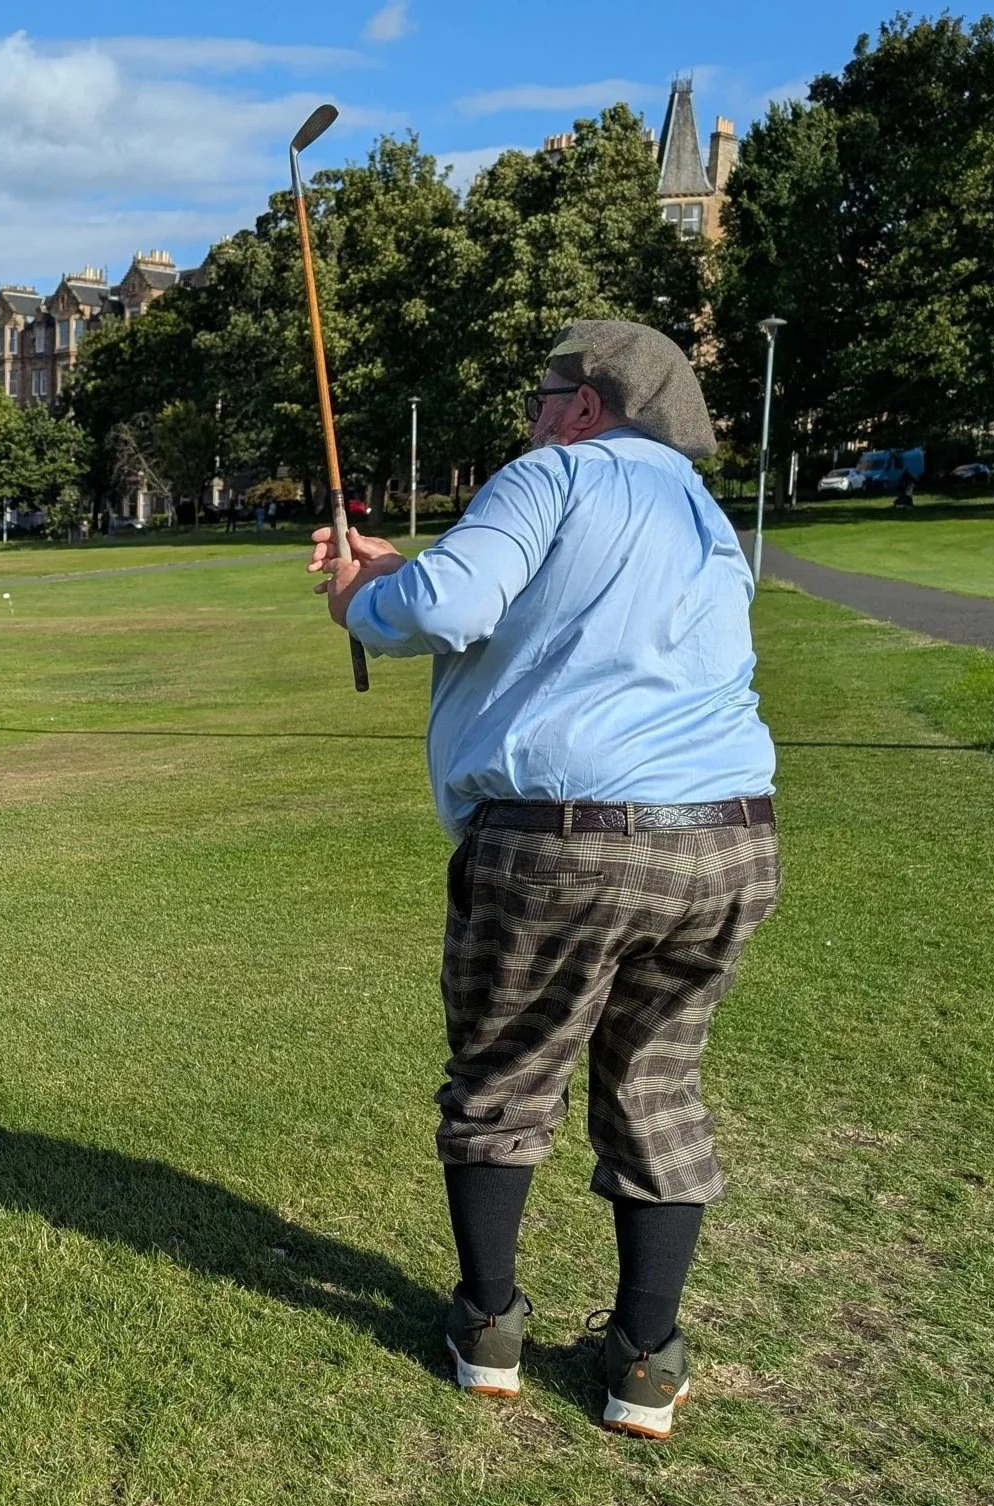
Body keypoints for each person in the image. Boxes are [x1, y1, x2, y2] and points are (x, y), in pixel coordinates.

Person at [309, 320, 778, 1440]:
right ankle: (645, 1364)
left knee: (502, 1081)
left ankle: (488, 1328)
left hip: (562, 839)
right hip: (729, 838)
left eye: (542, 392)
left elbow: (445, 609)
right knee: (658, 1088)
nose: (531, 411)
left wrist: (360, 602)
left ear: (585, 403)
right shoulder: (705, 516)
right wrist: (404, 569)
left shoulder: (552, 472)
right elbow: (556, 618)